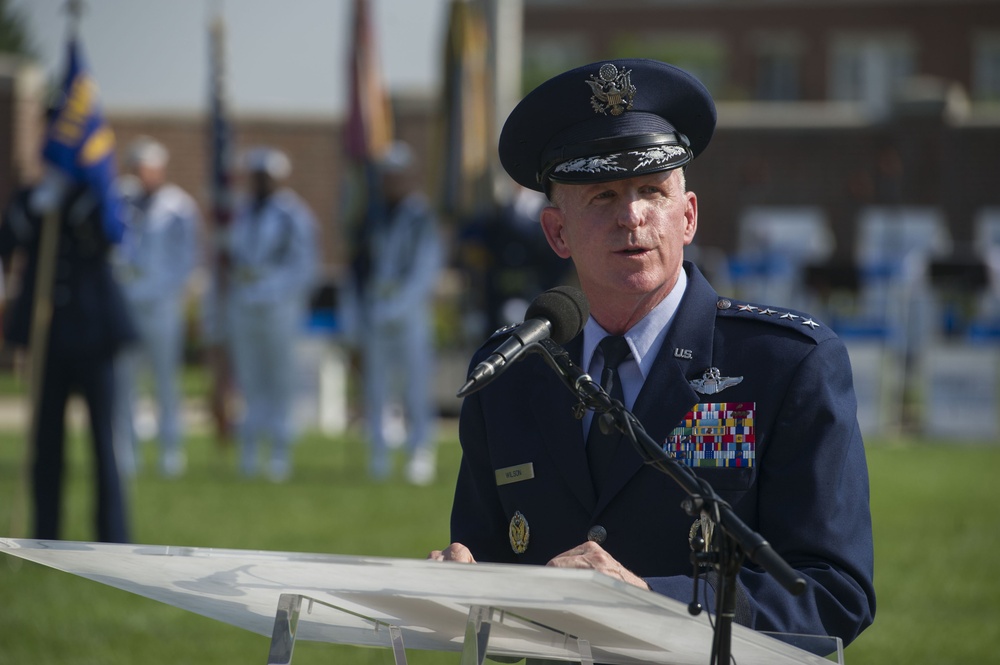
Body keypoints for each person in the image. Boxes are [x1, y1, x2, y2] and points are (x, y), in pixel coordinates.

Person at [429, 59, 875, 649]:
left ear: (687, 217)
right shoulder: (511, 376)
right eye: (604, 195)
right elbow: (492, 564)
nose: (633, 217)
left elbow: (833, 594)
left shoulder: (785, 366)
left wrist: (650, 601)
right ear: (557, 233)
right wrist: (467, 585)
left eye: (652, 192)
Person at [0, 173, 136, 542]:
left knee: (104, 438)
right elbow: (8, 242)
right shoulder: (30, 196)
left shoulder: (99, 193)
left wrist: (73, 204)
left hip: (95, 335)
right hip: (50, 337)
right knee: (45, 440)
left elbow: (113, 236)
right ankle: (46, 533)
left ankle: (113, 535)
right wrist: (32, 210)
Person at [344, 141, 444, 485]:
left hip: (410, 312)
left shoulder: (421, 217)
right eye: (385, 176)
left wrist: (397, 306)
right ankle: (379, 452)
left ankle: (420, 452)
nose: (390, 183)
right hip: (375, 308)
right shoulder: (371, 216)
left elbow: (424, 269)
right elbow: (356, 268)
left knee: (415, 386)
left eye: (396, 176)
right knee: (376, 387)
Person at [222, 147, 318, 482]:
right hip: (245, 304)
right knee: (249, 379)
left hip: (279, 308)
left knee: (279, 380)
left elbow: (304, 266)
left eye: (266, 177)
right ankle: (249, 450)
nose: (260, 182)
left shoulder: (294, 214)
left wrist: (271, 290)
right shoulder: (242, 211)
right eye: (256, 176)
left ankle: (279, 452)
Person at [112, 137, 199, 477]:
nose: (142, 176)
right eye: (136, 169)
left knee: (166, 380)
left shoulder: (180, 207)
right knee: (125, 382)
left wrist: (163, 289)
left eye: (147, 169)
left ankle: (170, 451)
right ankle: (126, 453)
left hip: (162, 305)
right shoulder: (118, 200)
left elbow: (186, 258)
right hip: (127, 302)